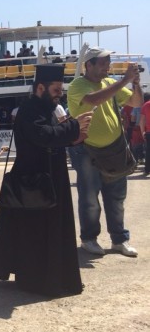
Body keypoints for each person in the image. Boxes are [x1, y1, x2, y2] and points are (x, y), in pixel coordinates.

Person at [0, 65, 93, 297]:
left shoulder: (47, 109)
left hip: (52, 177)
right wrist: (74, 125)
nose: (59, 94)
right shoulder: (29, 109)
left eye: (60, 90)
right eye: (56, 90)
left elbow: (53, 138)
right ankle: (36, 280)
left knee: (53, 230)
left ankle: (56, 278)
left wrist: (74, 137)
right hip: (33, 180)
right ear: (40, 88)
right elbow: (43, 135)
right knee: (35, 233)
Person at [67, 47, 142, 257]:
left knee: (116, 196)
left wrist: (135, 83)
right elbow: (93, 100)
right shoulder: (77, 85)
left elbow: (136, 102)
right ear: (88, 65)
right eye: (102, 63)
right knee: (90, 198)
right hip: (86, 149)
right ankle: (89, 239)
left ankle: (119, 239)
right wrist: (124, 80)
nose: (107, 66)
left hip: (113, 149)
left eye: (108, 62)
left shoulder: (110, 83)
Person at [138, 93, 150, 176]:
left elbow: (141, 121)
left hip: (149, 132)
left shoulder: (145, 105)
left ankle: (147, 170)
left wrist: (142, 132)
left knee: (148, 152)